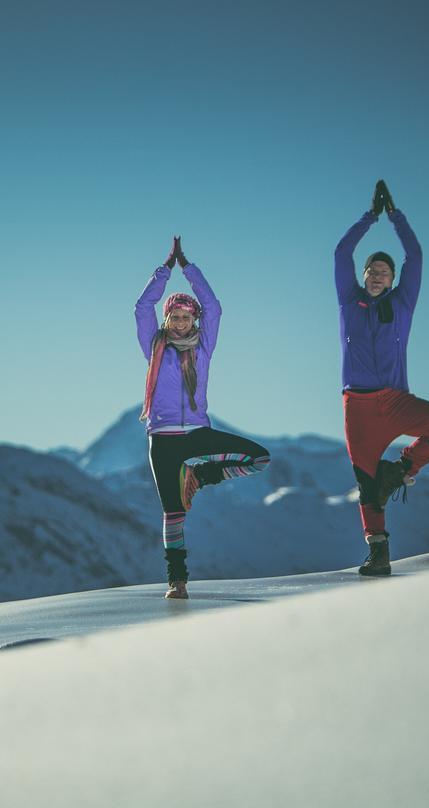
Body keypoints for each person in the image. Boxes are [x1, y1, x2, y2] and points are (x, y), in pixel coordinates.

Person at [334, 180, 429, 575]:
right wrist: (369, 218)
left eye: (384, 272)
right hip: (357, 405)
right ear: (364, 275)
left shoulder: (403, 304)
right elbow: (341, 252)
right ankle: (379, 554)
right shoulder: (348, 301)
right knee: (367, 485)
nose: (377, 276)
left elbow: (416, 255)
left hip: (393, 400)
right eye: (372, 271)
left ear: (392, 279)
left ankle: (401, 470)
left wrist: (395, 217)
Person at [135, 236, 271, 598]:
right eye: (173, 317)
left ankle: (201, 474)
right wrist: (164, 270)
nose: (179, 323)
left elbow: (214, 305)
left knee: (260, 458)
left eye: (185, 317)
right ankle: (177, 581)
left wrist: (189, 269)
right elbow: (140, 306)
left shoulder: (204, 346)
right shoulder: (154, 347)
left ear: (193, 320)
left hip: (197, 432)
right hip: (162, 438)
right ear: (166, 319)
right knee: (172, 513)